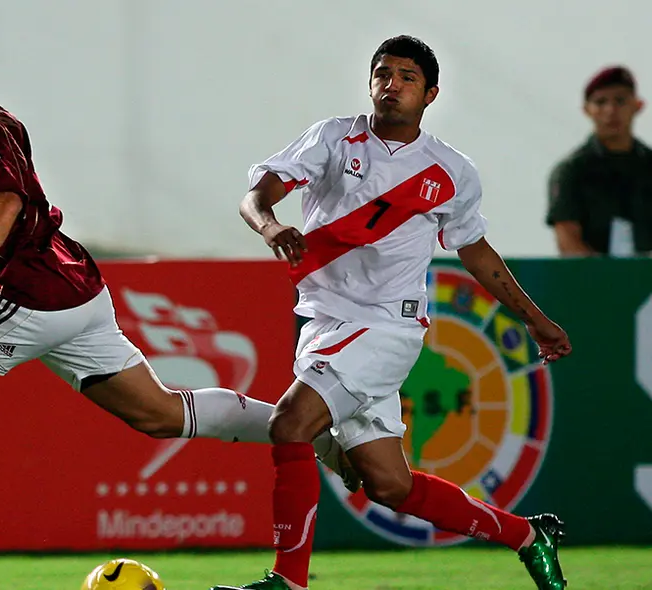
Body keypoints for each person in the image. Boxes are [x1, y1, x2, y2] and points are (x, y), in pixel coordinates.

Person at [0, 0, 352, 568]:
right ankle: (313, 432)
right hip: (78, 290)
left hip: (29, 293)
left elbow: (4, 197)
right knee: (159, 413)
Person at [212, 36, 573, 590]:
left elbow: (475, 250)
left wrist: (534, 317)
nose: (392, 84)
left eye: (407, 77)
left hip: (385, 327)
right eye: (383, 73)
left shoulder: (451, 171)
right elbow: (256, 195)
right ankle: (527, 536)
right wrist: (270, 225)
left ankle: (288, 582)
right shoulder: (334, 138)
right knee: (390, 487)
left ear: (430, 94)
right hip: (324, 324)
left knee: (291, 424)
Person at [547, 66, 652, 257]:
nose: (611, 110)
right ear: (587, 110)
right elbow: (568, 242)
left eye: (620, 101)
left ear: (638, 105)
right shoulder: (571, 172)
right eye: (600, 102)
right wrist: (606, 277)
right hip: (591, 282)